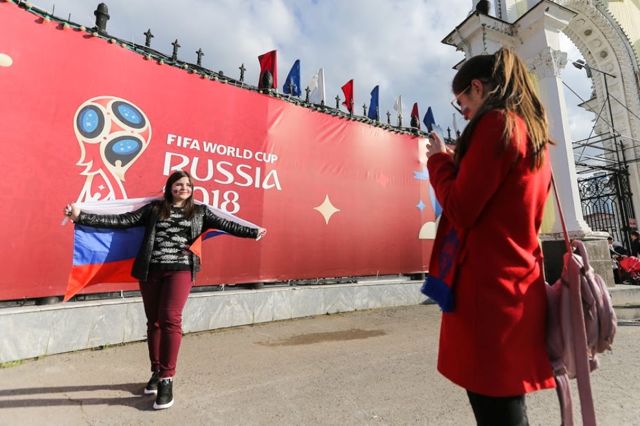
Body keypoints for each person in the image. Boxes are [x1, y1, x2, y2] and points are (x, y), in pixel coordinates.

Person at [423, 48, 555, 425]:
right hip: (516, 285)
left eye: (462, 101)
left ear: (477, 88)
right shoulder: (532, 133)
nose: (463, 112)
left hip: (488, 294)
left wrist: (438, 161)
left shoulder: (497, 124)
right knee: (507, 407)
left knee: (497, 411)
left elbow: (461, 208)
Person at [63, 170, 266, 410]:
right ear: (170, 187)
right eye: (178, 184)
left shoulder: (200, 212)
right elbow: (121, 221)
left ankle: (167, 379)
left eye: (188, 185)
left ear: (192, 189)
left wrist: (253, 232)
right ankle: (157, 371)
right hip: (150, 271)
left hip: (180, 270)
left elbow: (227, 224)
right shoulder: (154, 209)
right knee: (154, 322)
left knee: (170, 318)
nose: (184, 188)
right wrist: (81, 216)